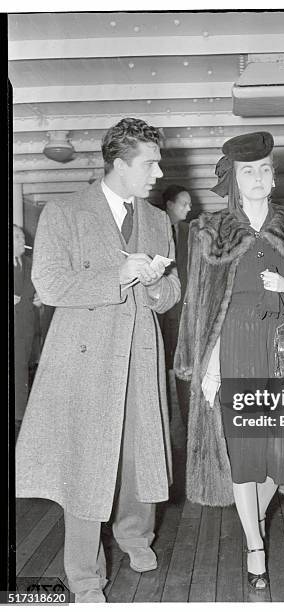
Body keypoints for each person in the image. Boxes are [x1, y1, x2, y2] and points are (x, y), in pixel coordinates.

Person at [16, 118, 180, 603]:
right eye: (149, 162)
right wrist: (118, 275)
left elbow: (171, 293)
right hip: (84, 360)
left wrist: (153, 284)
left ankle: (136, 537)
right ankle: (84, 576)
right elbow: (49, 285)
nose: (157, 171)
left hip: (140, 356)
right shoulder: (64, 212)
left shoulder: (158, 220)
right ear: (119, 163)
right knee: (87, 464)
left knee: (140, 457)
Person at [175, 131, 284, 589]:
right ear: (233, 179)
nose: (258, 177)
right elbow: (201, 307)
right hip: (234, 349)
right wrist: (209, 366)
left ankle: (258, 519)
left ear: (274, 178)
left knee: (280, 454)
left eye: (265, 169)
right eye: (248, 171)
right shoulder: (208, 231)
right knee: (243, 455)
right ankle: (255, 545)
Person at [158, 185, 192, 426]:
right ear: (169, 204)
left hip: (183, 314)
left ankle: (189, 422)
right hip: (158, 313)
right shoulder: (153, 229)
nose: (189, 208)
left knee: (186, 370)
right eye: (184, 203)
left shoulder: (191, 232)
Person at [13, 224, 41, 432]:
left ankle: (20, 414)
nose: (22, 240)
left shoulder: (30, 264)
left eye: (22, 236)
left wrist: (40, 299)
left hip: (26, 326)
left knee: (22, 369)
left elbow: (37, 291)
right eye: (16, 237)